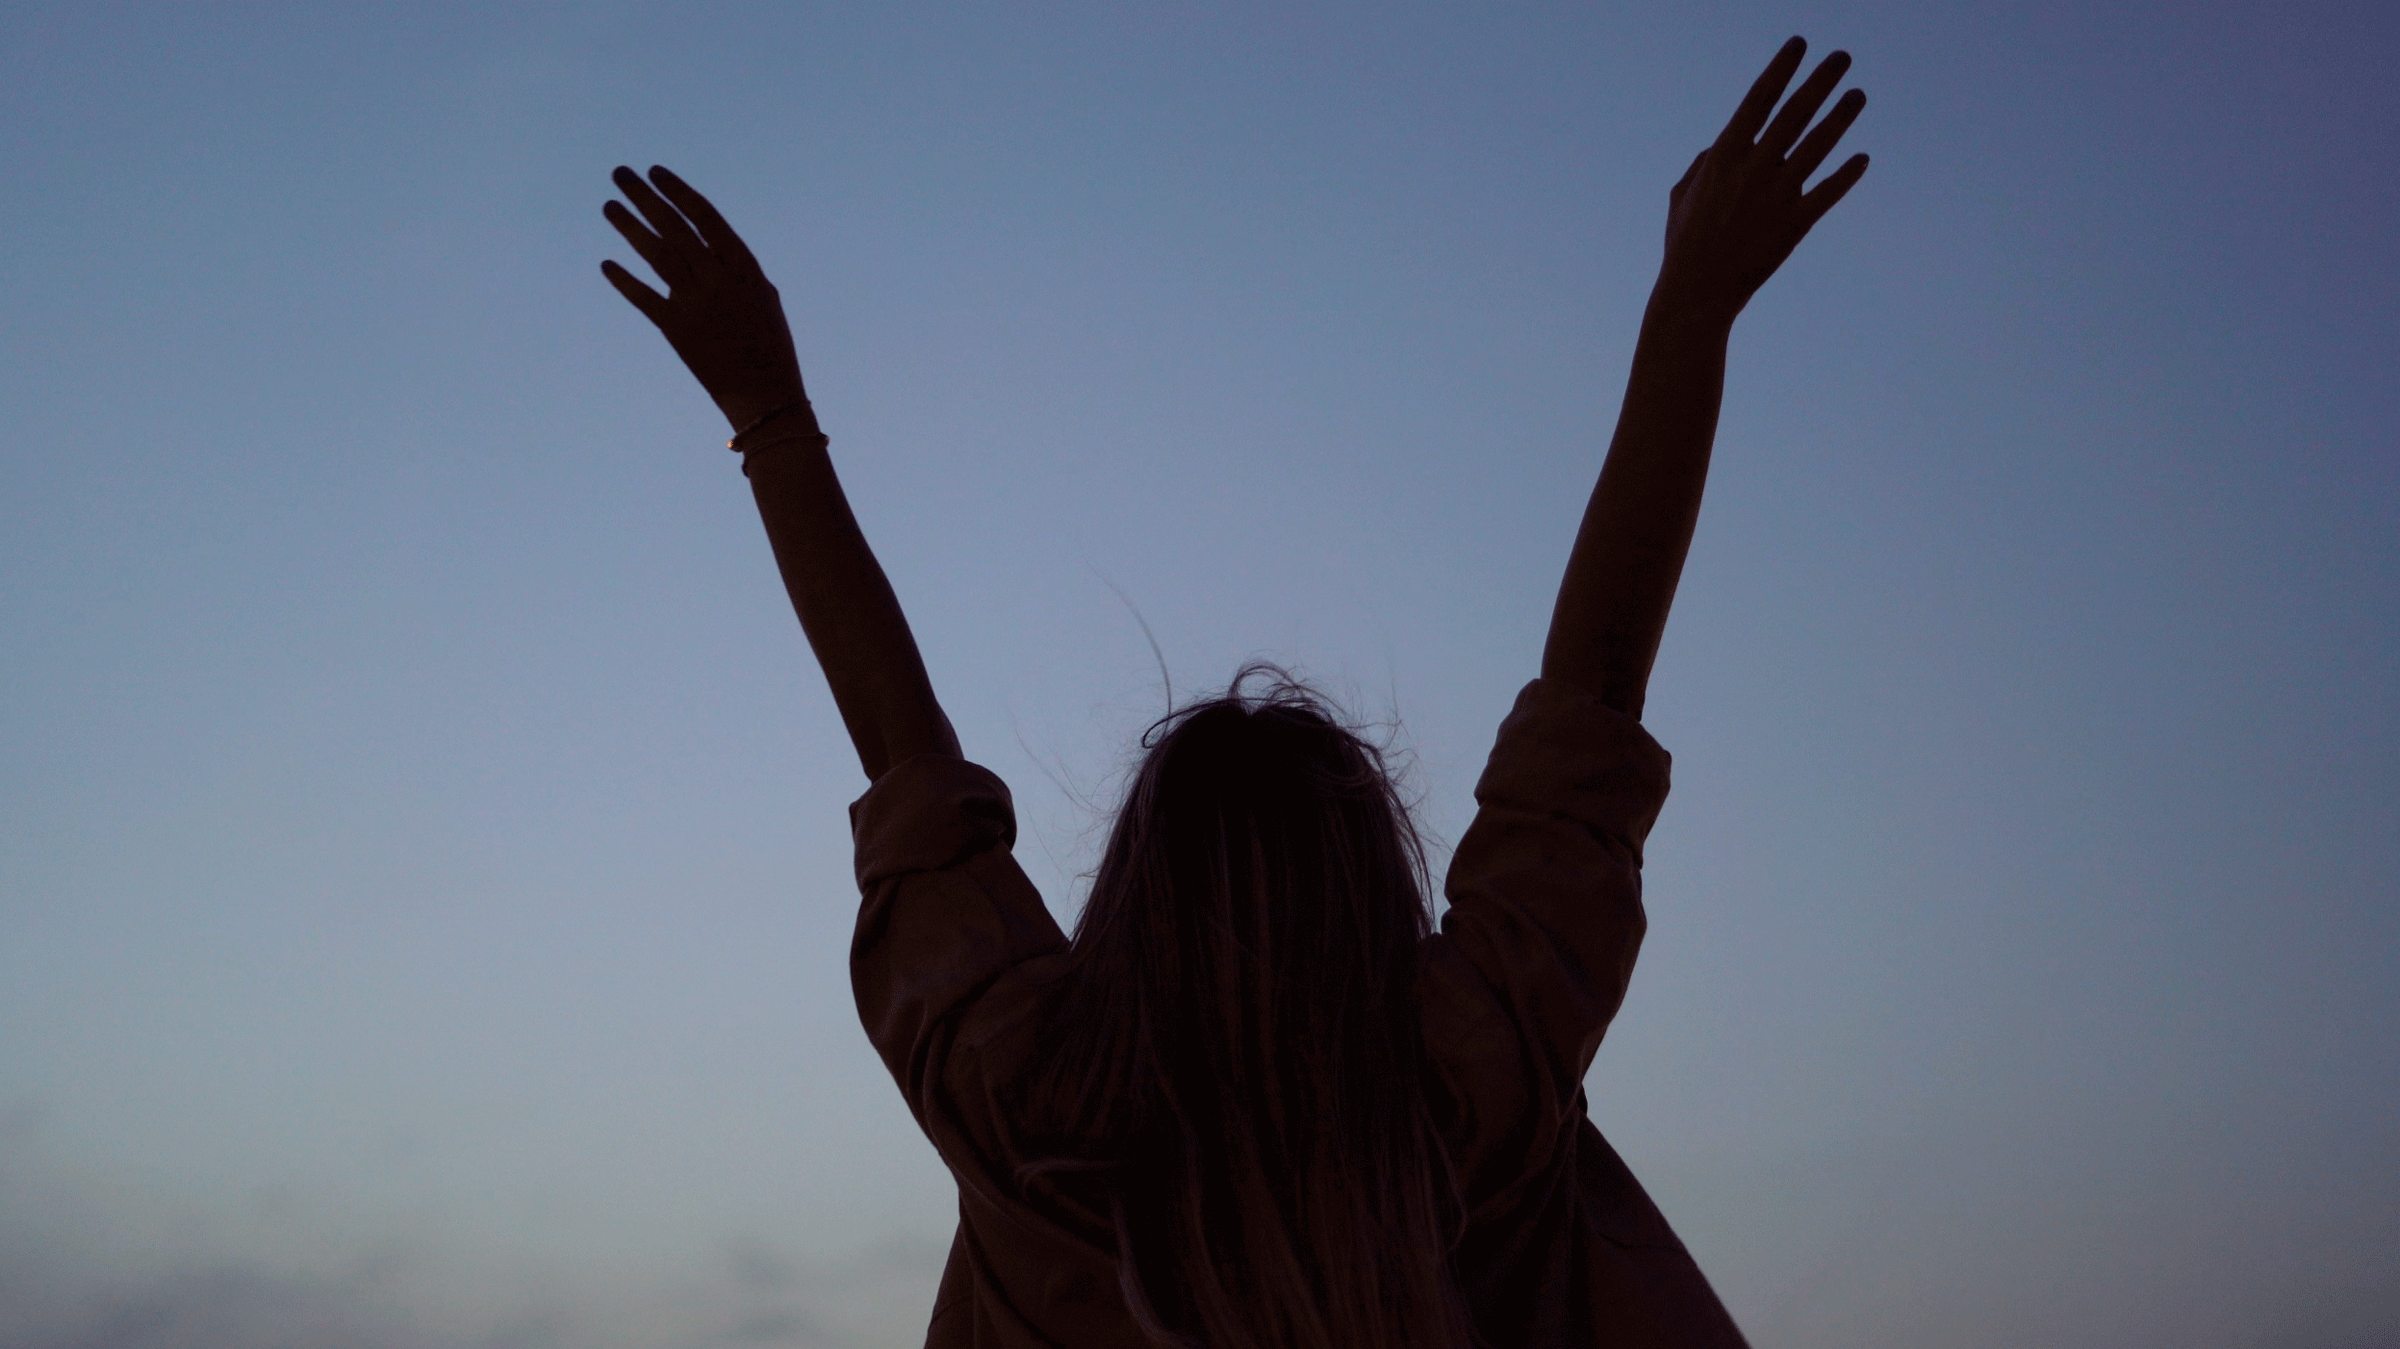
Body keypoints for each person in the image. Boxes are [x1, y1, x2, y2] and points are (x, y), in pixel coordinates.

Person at [602, 35, 1866, 1349]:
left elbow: (899, 746)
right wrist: (1691, 311)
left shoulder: (1025, 1109)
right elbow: (1594, 694)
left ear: (1134, 899)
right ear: (1365, 880)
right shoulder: (1476, 1075)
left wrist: (768, 412)